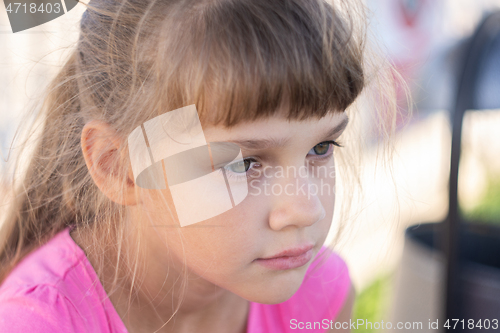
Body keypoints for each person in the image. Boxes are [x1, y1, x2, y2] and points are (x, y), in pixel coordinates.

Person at [0, 0, 400, 332]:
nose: (306, 210)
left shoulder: (319, 296)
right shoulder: (37, 322)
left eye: (321, 148)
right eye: (244, 164)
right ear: (120, 166)